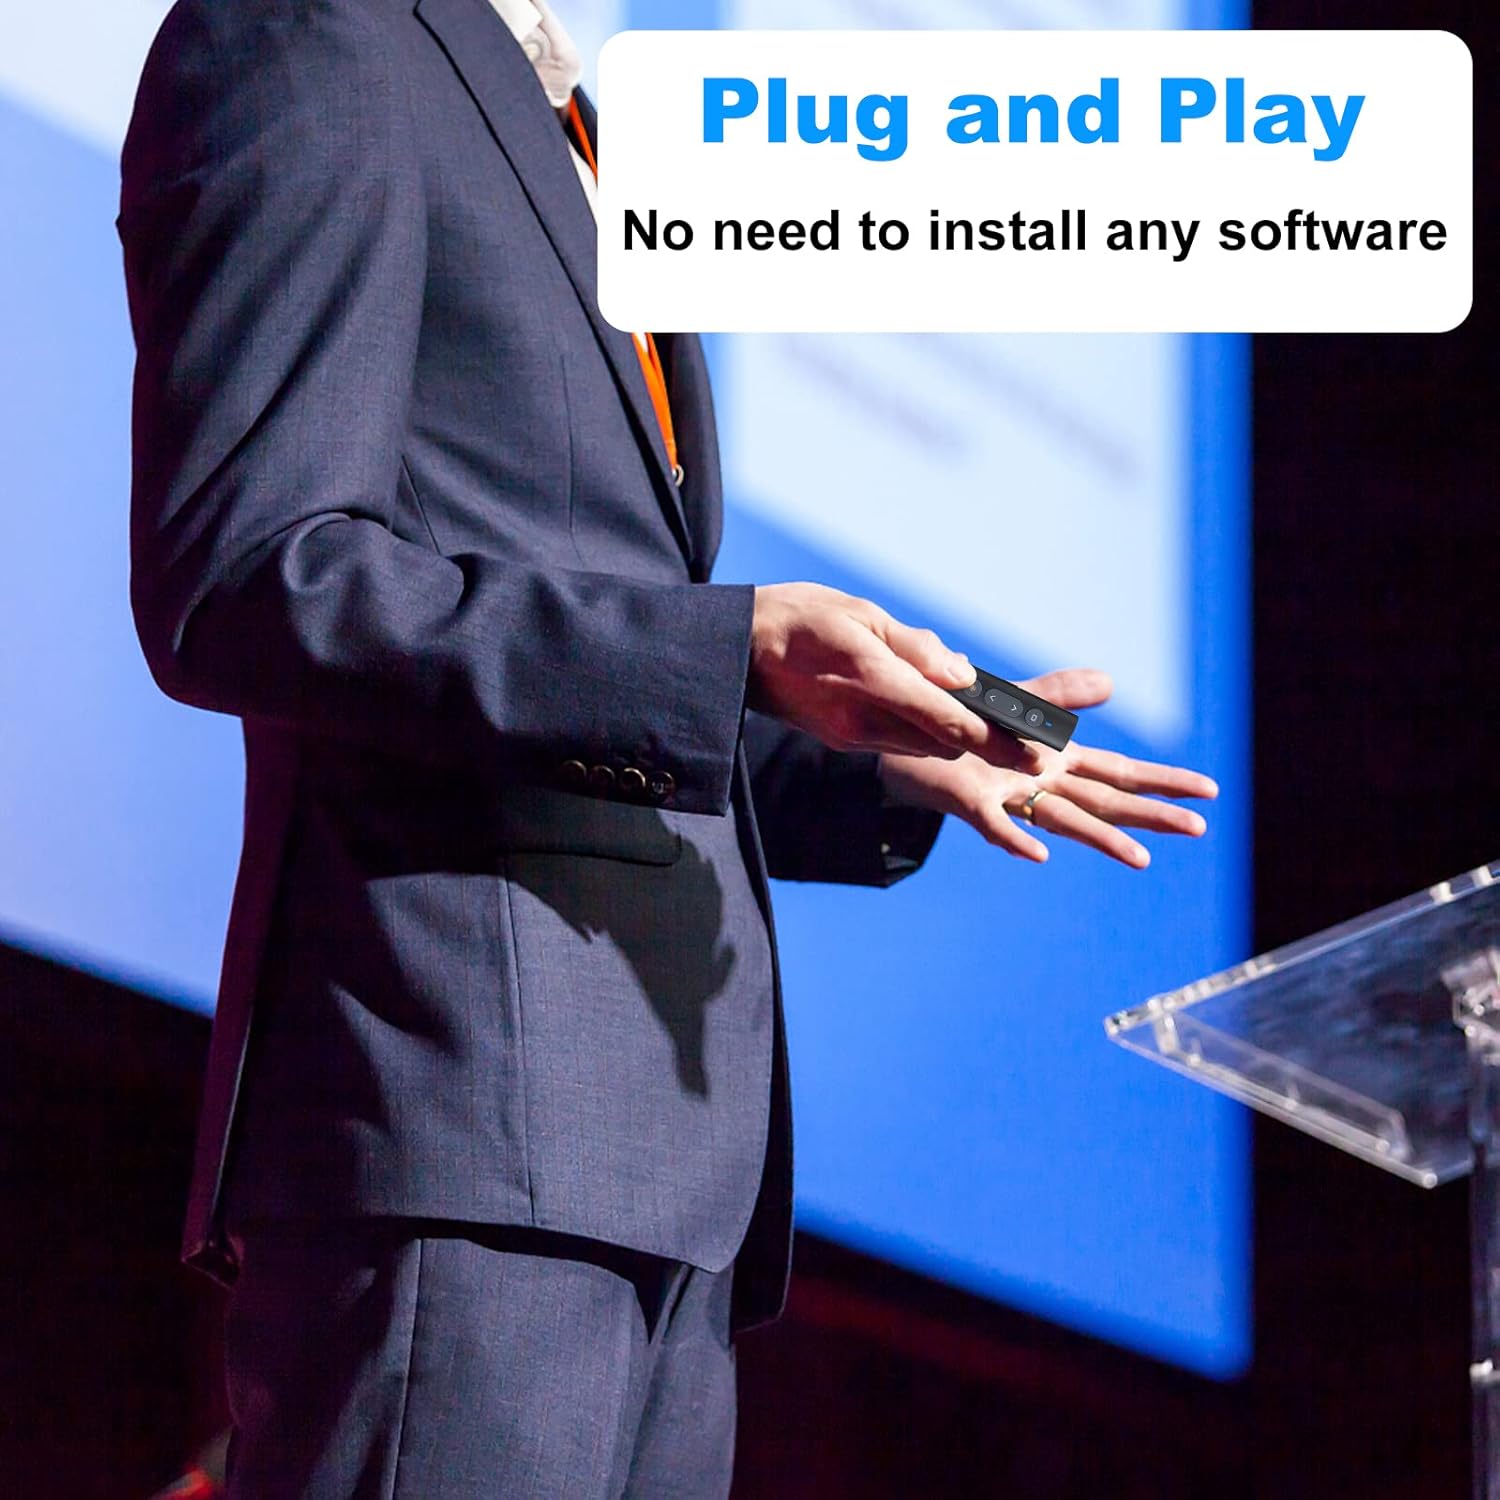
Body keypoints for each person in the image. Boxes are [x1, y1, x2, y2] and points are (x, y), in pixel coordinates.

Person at [118, 0, 1217, 1494]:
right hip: (461, 1116)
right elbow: (255, 580)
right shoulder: (313, 36)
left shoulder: (582, 124)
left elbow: (591, 666)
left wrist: (884, 757)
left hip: (664, 1180)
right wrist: (727, 645)